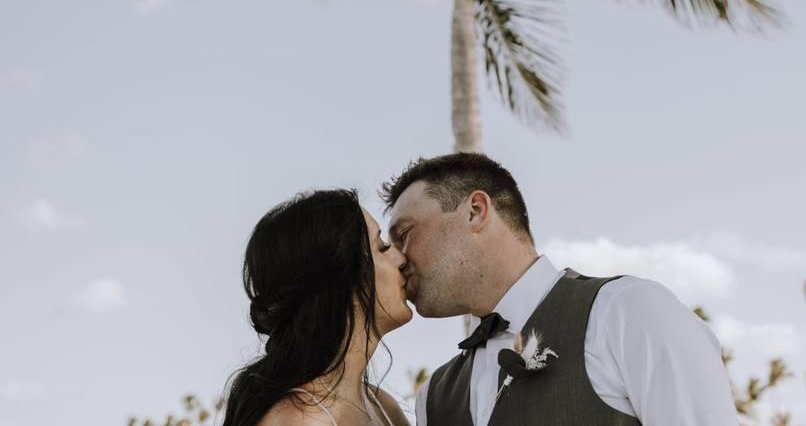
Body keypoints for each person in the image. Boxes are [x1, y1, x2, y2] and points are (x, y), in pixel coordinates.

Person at [382, 153, 740, 426]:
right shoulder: (434, 397)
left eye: (405, 234)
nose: (396, 258)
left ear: (475, 211)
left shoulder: (627, 313)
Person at [222, 189, 412, 426]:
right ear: (343, 278)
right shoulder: (298, 420)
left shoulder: (383, 406)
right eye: (381, 247)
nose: (401, 259)